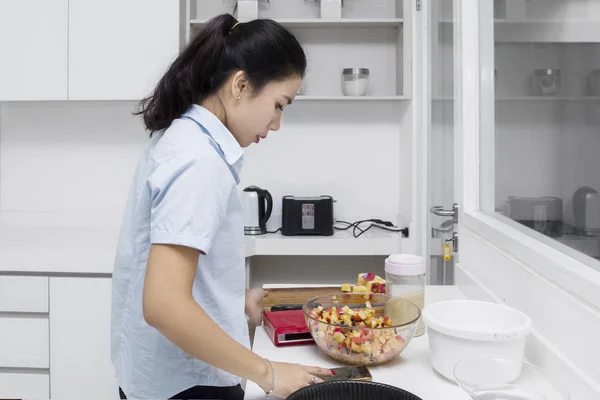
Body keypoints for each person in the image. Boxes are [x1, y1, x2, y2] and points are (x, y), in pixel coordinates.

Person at [110, 13, 332, 400]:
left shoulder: (184, 138)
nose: (277, 123)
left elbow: (174, 270)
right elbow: (163, 304)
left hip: (159, 378)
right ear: (241, 85)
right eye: (279, 105)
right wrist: (269, 373)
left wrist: (231, 300)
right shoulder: (199, 160)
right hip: (188, 385)